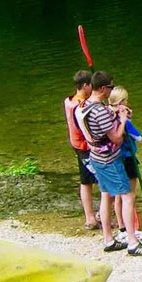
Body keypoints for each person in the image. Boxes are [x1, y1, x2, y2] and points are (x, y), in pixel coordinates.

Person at [76, 72, 142, 256]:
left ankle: (108, 239)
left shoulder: (82, 107)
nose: (111, 90)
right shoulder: (100, 111)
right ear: (103, 88)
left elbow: (102, 119)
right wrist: (122, 121)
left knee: (106, 196)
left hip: (95, 157)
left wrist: (115, 113)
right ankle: (132, 242)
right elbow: (116, 139)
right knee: (128, 196)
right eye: (110, 87)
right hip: (110, 160)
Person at [109, 86, 142, 254]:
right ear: (121, 102)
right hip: (128, 158)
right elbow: (139, 137)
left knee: (119, 195)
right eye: (125, 101)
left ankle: (122, 228)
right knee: (129, 196)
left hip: (115, 158)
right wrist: (128, 120)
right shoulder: (124, 120)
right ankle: (131, 230)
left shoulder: (108, 114)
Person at [64, 69, 98, 230]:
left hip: (77, 145)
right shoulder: (80, 106)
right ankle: (98, 216)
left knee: (85, 181)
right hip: (86, 146)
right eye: (91, 85)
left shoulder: (68, 100)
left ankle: (90, 216)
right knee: (106, 182)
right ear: (85, 85)